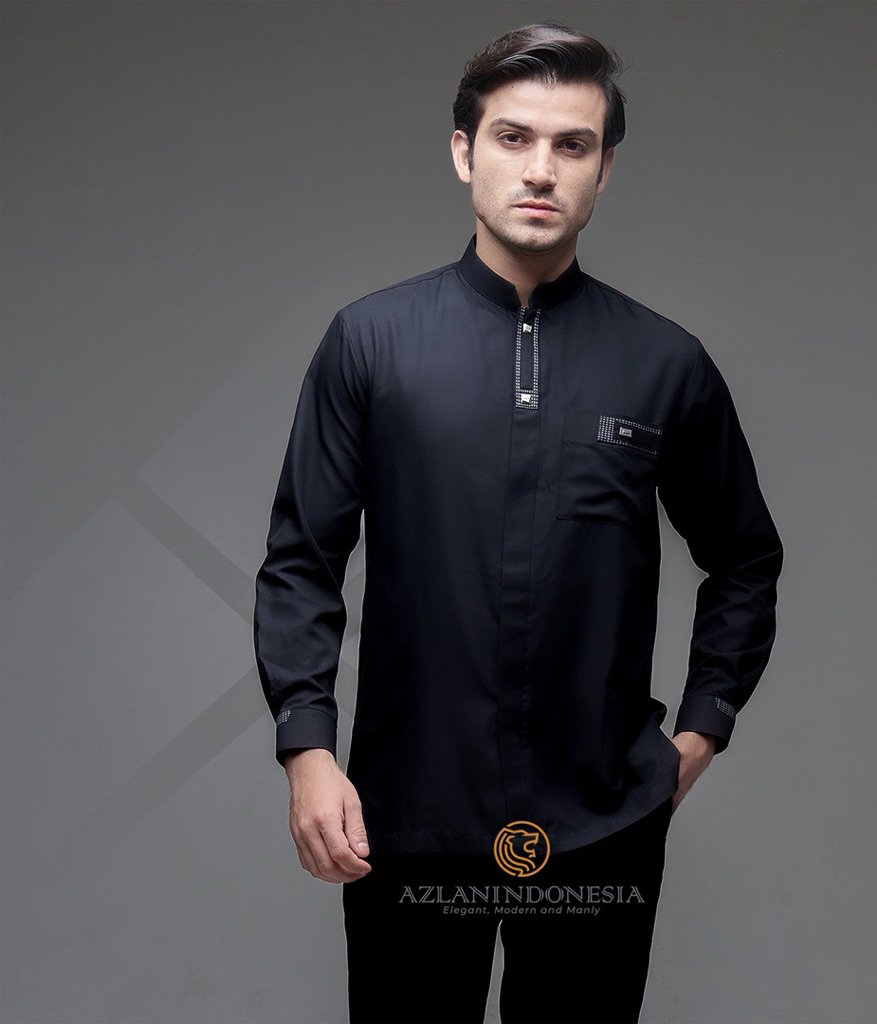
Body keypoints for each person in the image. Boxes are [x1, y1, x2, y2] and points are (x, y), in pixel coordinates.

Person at [254, 21, 783, 1024]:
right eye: (513, 138)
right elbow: (299, 562)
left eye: (571, 145)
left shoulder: (664, 363)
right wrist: (308, 748)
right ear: (465, 152)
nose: (541, 169)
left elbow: (745, 559)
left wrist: (701, 728)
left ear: (604, 168)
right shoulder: (371, 343)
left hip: (602, 821)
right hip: (407, 812)